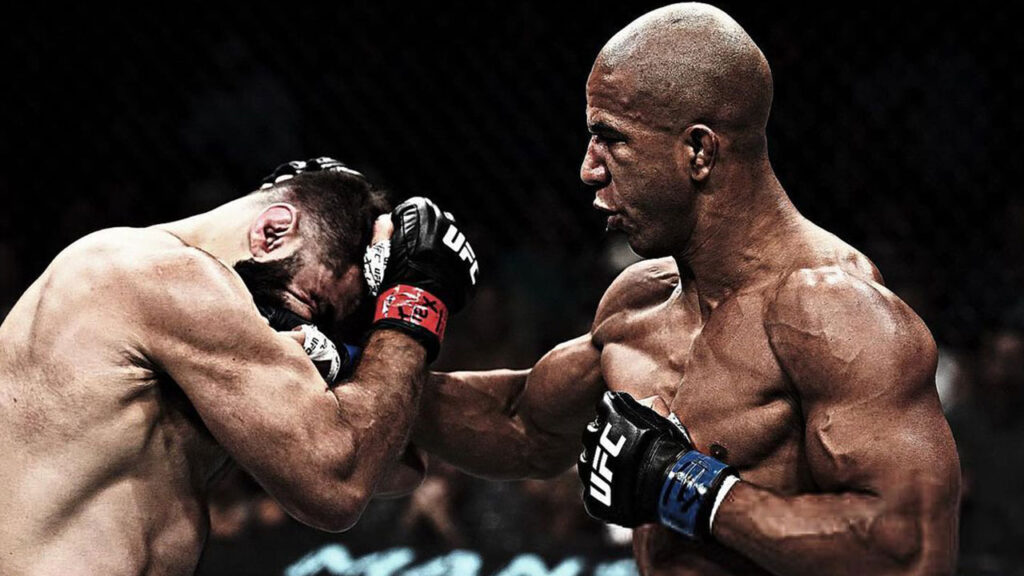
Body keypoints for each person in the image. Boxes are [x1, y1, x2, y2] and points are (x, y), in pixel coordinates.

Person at [412, 4, 960, 575]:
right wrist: (379, 349)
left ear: (698, 151)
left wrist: (688, 488)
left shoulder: (832, 310)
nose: (588, 170)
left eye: (610, 139)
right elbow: (521, 424)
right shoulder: (640, 302)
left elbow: (911, 550)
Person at [0, 157, 478, 575]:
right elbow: (338, 484)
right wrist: (417, 303)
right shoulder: (158, 276)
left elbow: (396, 464)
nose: (301, 333)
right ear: (272, 232)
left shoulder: (187, 347)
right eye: (309, 302)